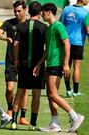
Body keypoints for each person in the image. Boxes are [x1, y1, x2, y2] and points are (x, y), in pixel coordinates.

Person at [39, 3, 84, 132]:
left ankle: (75, 116)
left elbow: (67, 45)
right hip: (50, 64)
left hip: (57, 64)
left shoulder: (59, 26)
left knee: (53, 95)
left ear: (49, 12)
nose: (42, 14)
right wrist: (39, 64)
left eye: (43, 12)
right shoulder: (49, 28)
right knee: (50, 94)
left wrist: (65, 64)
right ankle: (55, 123)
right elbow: (48, 50)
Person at [11, 1, 47, 130]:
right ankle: (32, 123)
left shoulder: (21, 26)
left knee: (20, 91)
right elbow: (47, 48)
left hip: (24, 64)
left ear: (28, 11)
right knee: (36, 94)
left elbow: (16, 44)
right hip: (38, 65)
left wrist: (16, 60)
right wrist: (40, 62)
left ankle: (14, 122)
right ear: (40, 12)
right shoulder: (44, 27)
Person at [0, 0, 29, 125]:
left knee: (24, 90)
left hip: (25, 62)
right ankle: (10, 108)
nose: (17, 13)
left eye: (19, 11)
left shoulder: (30, 25)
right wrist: (6, 38)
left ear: (25, 10)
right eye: (15, 11)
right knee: (10, 89)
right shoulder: (9, 23)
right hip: (10, 61)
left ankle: (22, 116)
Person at [60, 0, 89, 97]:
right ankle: (75, 92)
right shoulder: (86, 12)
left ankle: (68, 90)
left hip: (66, 42)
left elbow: (61, 24)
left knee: (67, 66)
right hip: (78, 43)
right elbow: (88, 30)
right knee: (77, 67)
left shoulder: (66, 9)